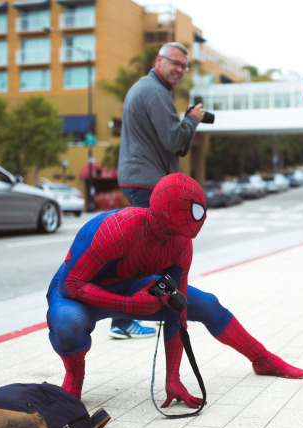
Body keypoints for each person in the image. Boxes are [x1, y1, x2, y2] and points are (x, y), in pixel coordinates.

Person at [47, 173, 303, 407]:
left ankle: (261, 358)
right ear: (158, 215)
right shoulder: (118, 228)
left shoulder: (180, 242)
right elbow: (71, 285)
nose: (175, 238)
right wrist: (130, 304)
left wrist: (173, 377)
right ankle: (74, 378)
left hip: (129, 284)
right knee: (68, 321)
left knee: (208, 305)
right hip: (77, 290)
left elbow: (177, 310)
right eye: (170, 230)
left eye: (180, 233)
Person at [108, 42, 206, 340]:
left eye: (183, 66)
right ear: (159, 60)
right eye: (175, 63)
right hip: (147, 182)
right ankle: (123, 319)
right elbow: (174, 141)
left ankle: (139, 313)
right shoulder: (155, 91)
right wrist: (192, 120)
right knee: (146, 252)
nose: (179, 69)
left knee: (147, 250)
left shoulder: (148, 89)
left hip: (141, 179)